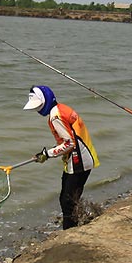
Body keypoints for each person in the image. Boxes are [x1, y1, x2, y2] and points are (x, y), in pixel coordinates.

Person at [23, 84, 99, 229]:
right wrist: (47, 153)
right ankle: (72, 227)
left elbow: (69, 144)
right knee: (67, 198)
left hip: (79, 162)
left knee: (68, 201)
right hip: (82, 159)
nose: (37, 110)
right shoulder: (60, 109)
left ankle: (70, 231)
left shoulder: (55, 116)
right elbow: (69, 139)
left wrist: (47, 154)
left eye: (38, 106)